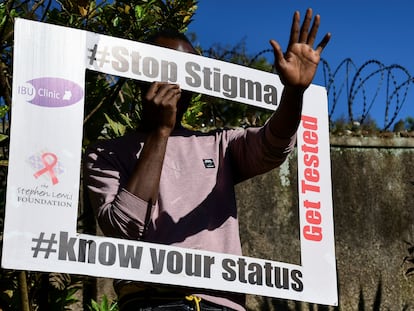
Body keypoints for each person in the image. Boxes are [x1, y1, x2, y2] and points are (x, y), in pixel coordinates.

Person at [83, 8, 331, 311]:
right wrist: (161, 132)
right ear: (140, 76)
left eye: (188, 70)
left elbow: (273, 146)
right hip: (150, 303)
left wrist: (293, 94)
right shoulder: (106, 153)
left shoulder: (219, 144)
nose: (179, 82)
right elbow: (125, 230)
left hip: (220, 303)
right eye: (168, 68)